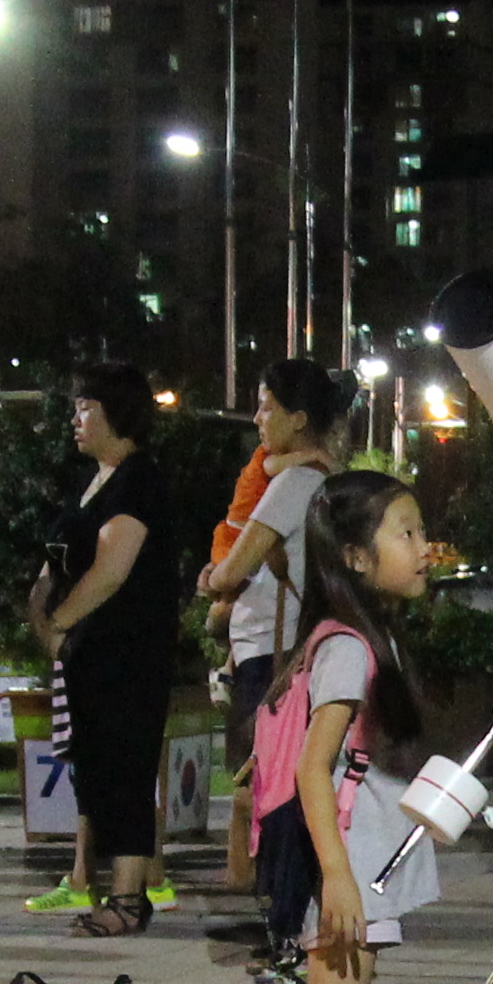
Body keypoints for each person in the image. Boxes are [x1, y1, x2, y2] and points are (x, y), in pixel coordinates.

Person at [268, 470, 442, 984]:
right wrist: (337, 880)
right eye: (404, 532)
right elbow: (315, 766)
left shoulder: (364, 634)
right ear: (356, 557)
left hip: (358, 867)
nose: (423, 547)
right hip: (346, 872)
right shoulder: (348, 646)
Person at [30, 363, 186, 934]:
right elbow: (60, 561)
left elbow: (111, 569)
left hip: (129, 651)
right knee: (95, 770)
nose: (75, 419)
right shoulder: (89, 481)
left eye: (85, 407)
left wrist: (60, 622)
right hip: (88, 654)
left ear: (117, 412)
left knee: (126, 766)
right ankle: (108, 892)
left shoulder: (138, 480)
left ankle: (128, 898)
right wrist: (45, 616)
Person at [201, 357, 350, 943]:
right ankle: (279, 915)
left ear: (298, 417)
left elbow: (231, 569)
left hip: (275, 654)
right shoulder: (318, 478)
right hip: (284, 649)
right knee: (277, 787)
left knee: (278, 791)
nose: (258, 418)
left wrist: (213, 576)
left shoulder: (293, 484)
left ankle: (284, 922)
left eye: (267, 406)